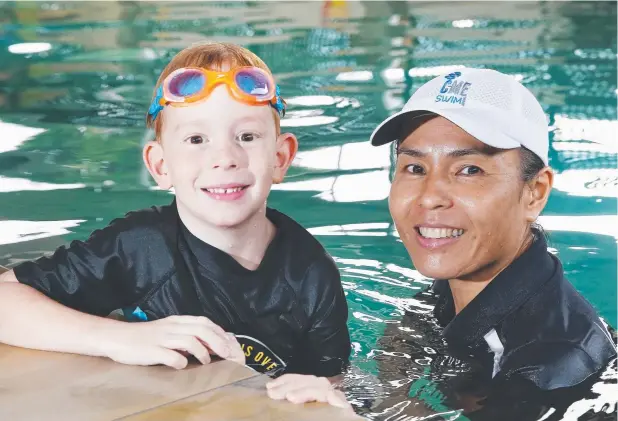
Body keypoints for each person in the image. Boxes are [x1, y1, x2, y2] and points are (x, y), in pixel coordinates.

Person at [0, 42, 352, 409]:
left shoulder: (311, 273)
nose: (225, 158)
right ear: (160, 165)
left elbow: (335, 380)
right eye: (197, 139)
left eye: (246, 137)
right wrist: (118, 339)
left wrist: (325, 393)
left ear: (280, 157)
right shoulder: (140, 248)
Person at [368, 68, 617, 415]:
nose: (429, 198)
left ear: (535, 193)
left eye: (469, 170)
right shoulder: (464, 276)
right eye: (415, 168)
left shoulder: (552, 372)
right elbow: (406, 332)